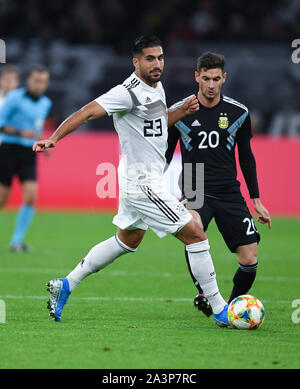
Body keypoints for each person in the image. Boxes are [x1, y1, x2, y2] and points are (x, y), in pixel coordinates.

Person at [33, 35, 230, 327]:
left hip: (143, 179)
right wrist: (54, 138)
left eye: (160, 58)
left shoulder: (156, 87)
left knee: (128, 240)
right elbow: (87, 112)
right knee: (195, 233)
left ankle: (66, 283)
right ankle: (220, 308)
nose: (157, 64)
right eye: (150, 59)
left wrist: (181, 112)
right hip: (142, 183)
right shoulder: (126, 92)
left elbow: (156, 122)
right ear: (135, 61)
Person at [165, 52, 271, 317]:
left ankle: (230, 308)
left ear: (224, 78)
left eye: (215, 79)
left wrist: (255, 199)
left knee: (249, 259)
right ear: (196, 77)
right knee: (194, 230)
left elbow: (246, 157)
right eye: (205, 78)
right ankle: (206, 294)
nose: (210, 84)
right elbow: (165, 153)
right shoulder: (179, 112)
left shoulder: (239, 113)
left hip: (228, 189)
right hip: (195, 184)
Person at [0, 65, 52, 252]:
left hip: (28, 153)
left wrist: (42, 143)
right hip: (8, 150)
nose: (40, 85)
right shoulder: (14, 97)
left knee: (31, 197)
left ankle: (17, 241)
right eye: (37, 81)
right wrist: (22, 132)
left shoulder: (46, 103)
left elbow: (35, 129)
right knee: (2, 201)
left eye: (44, 82)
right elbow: (1, 123)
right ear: (29, 80)